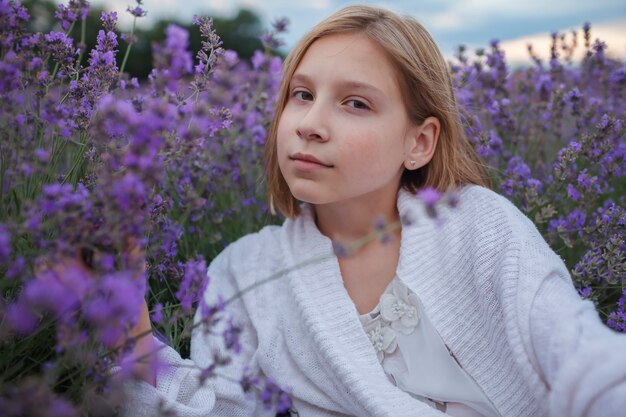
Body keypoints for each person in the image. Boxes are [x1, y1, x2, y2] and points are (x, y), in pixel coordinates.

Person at [121, 5, 626, 416]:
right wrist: (127, 327)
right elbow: (216, 409)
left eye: (355, 103)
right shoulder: (245, 272)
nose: (310, 124)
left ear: (420, 142)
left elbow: (586, 361)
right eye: (301, 95)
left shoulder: (478, 227)